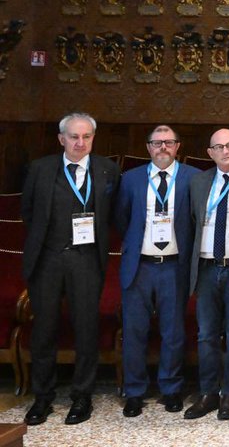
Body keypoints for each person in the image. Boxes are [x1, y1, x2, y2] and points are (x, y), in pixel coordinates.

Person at [22, 113, 121, 427]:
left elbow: (114, 215)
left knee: (86, 329)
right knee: (44, 331)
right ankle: (42, 397)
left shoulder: (108, 169)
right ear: (61, 138)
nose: (81, 143)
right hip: (48, 259)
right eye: (74, 137)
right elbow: (28, 212)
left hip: (86, 261)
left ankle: (82, 396)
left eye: (87, 136)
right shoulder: (40, 169)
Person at [114, 125, 197, 417]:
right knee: (134, 331)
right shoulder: (131, 179)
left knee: (173, 332)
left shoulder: (193, 178)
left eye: (169, 142)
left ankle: (171, 388)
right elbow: (121, 219)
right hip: (140, 266)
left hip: (174, 266)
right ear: (148, 147)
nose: (163, 147)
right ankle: (134, 391)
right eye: (157, 143)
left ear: (178, 147)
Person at [186, 129, 229, 421]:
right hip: (207, 266)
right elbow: (190, 224)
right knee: (206, 335)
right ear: (209, 152)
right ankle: (209, 392)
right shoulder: (198, 182)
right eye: (219, 147)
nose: (225, 151)